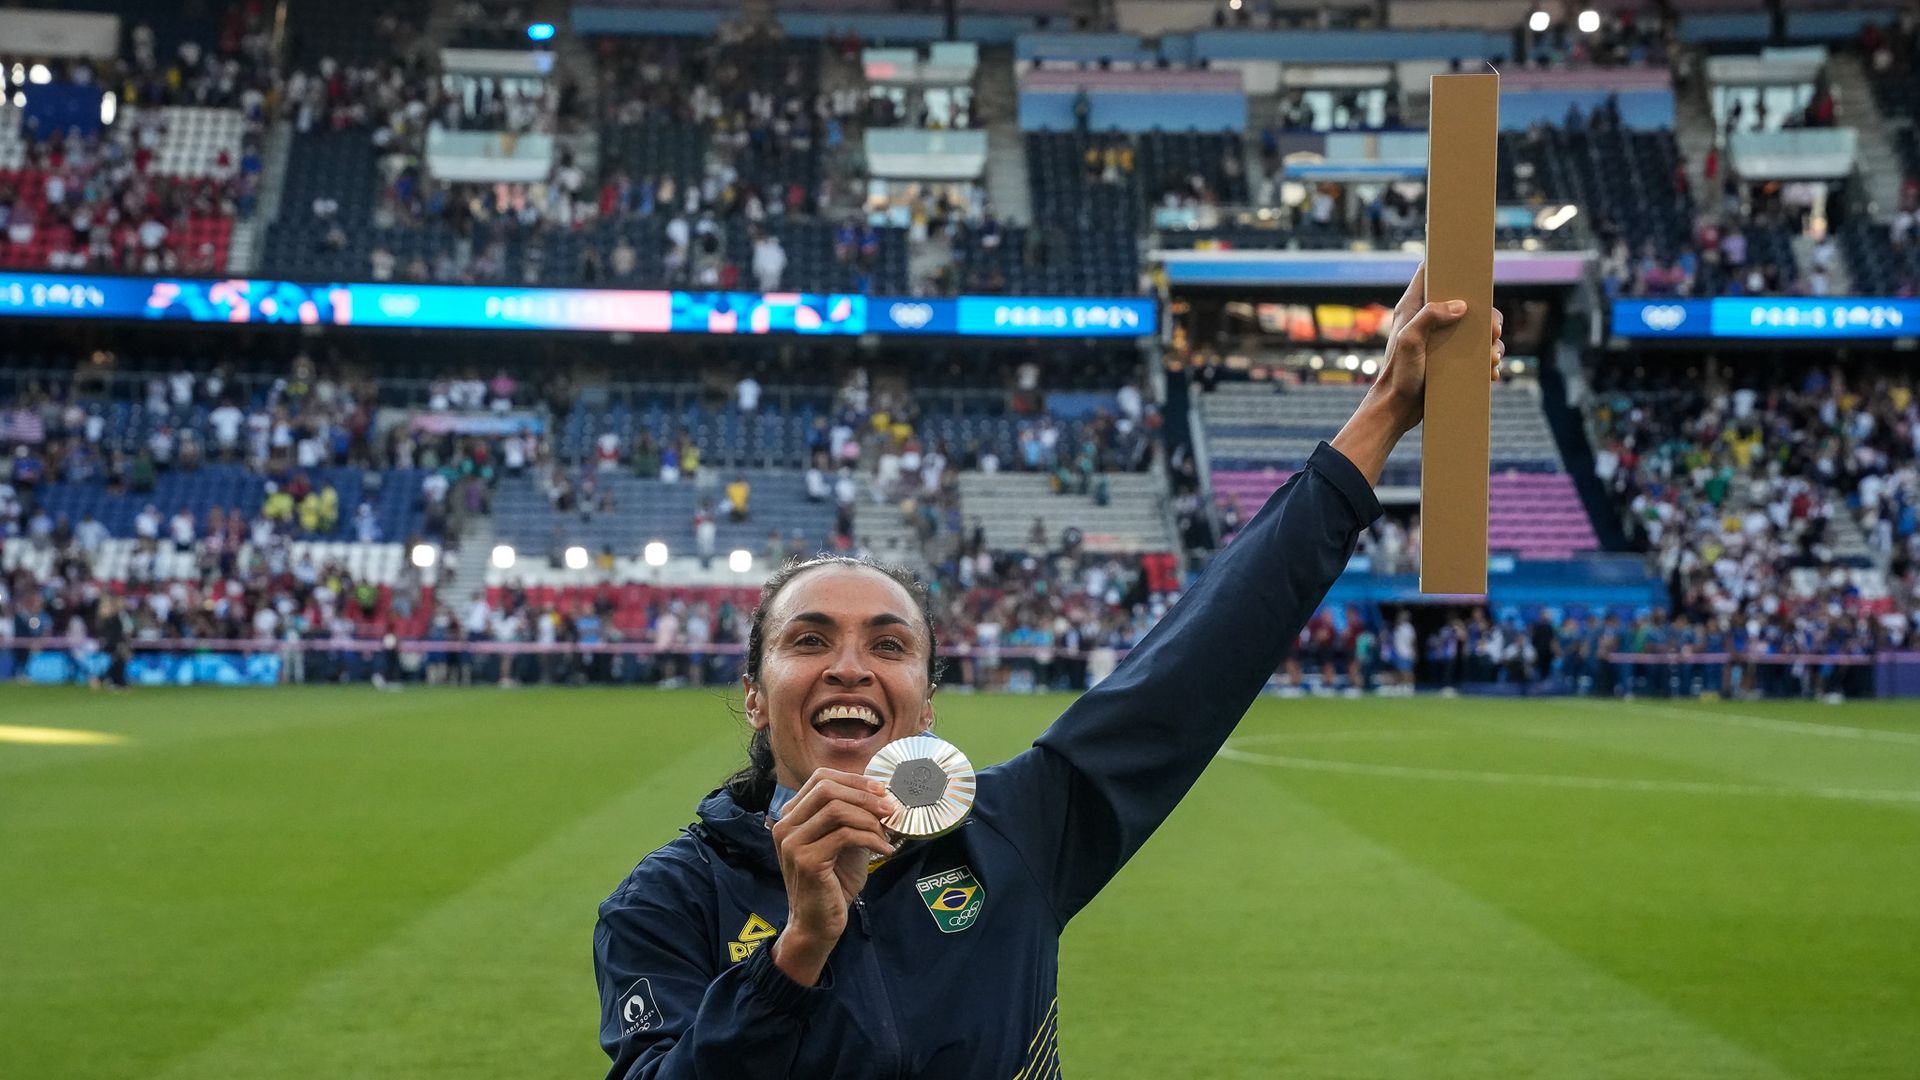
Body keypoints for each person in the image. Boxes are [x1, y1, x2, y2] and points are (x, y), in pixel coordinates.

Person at [593, 265, 1504, 1077]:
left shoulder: (1013, 829)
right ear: (754, 697)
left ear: (926, 699)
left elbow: (1200, 657)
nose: (850, 668)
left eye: (889, 644)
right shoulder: (668, 900)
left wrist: (1387, 403)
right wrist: (796, 953)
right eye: (808, 640)